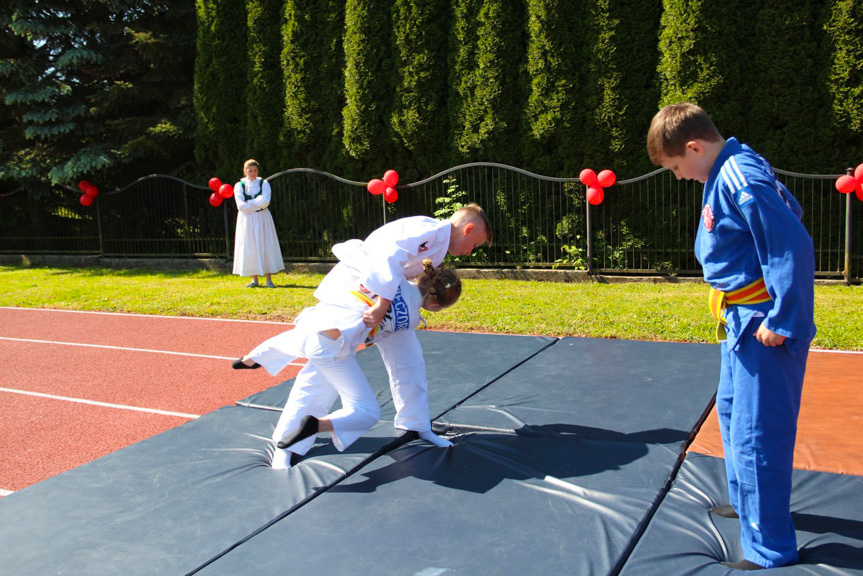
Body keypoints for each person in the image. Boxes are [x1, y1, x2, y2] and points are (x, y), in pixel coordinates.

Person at [647, 103, 816, 571]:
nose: (680, 177)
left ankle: (770, 548)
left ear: (695, 147)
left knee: (760, 432)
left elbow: (792, 243)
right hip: (740, 318)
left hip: (764, 323)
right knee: (733, 413)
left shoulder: (741, 176)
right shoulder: (730, 169)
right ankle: (748, 506)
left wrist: (784, 318)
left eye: (678, 167)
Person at [233, 259, 462, 469]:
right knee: (343, 399)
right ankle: (290, 441)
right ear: (434, 306)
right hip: (333, 346)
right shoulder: (409, 317)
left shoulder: (392, 277)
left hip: (322, 321)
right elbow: (381, 334)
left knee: (296, 342)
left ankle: (254, 358)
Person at [311, 203, 492, 446]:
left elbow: (406, 274)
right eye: (475, 245)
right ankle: (298, 432)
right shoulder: (432, 231)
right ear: (468, 229)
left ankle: (416, 425)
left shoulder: (438, 245)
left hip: (386, 298)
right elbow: (389, 256)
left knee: (410, 360)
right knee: (329, 360)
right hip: (358, 292)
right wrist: (383, 304)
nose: (470, 252)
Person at [232, 159, 284, 288]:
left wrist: (250, 203)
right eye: (250, 170)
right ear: (245, 171)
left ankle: (268, 279)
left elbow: (265, 202)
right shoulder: (240, 185)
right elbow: (241, 206)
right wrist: (256, 203)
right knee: (250, 246)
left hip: (262, 218)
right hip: (247, 220)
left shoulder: (264, 183)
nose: (253, 173)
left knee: (265, 244)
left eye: (255, 170)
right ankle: (254, 279)